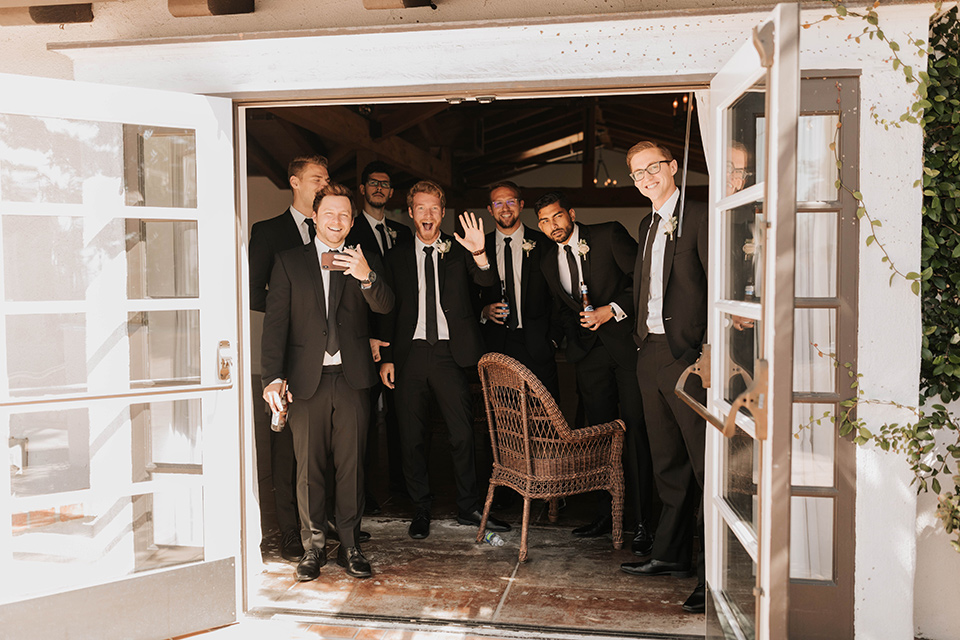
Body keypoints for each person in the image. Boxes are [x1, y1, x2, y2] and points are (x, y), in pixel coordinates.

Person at [261, 183, 394, 581]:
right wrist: (272, 378)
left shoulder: (363, 259)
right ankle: (313, 548)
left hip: (352, 378)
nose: (337, 221)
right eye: (329, 214)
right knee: (309, 469)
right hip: (306, 381)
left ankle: (350, 545)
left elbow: (386, 305)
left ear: (352, 222)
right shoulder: (287, 262)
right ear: (315, 217)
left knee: (351, 467)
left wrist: (366, 276)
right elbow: (275, 327)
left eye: (344, 215)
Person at [378, 180, 512, 540]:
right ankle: (420, 506)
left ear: (442, 212)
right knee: (412, 436)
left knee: (462, 433)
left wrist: (481, 253)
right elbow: (388, 309)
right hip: (410, 354)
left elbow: (486, 282)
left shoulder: (459, 249)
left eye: (434, 208)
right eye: (420, 208)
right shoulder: (396, 256)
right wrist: (387, 356)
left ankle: (469, 506)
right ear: (410, 213)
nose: (428, 215)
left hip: (450, 354)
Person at [534, 191, 656, 554]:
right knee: (598, 437)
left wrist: (612, 309)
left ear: (570, 213)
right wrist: (565, 342)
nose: (551, 226)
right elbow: (560, 308)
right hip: (587, 357)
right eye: (542, 221)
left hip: (626, 349)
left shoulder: (606, 234)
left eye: (556, 217)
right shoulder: (545, 260)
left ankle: (643, 521)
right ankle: (607, 514)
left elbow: (643, 279)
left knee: (634, 433)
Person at [618, 141, 709, 615]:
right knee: (666, 462)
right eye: (637, 173)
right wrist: (639, 340)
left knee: (704, 466)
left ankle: (714, 577)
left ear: (673, 167)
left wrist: (706, 352)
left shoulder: (699, 215)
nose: (646, 177)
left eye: (653, 167)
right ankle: (671, 556)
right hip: (650, 353)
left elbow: (719, 286)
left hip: (688, 358)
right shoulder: (646, 222)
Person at [248, 154, 329, 562]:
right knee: (284, 450)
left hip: (325, 361)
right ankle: (287, 533)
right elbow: (253, 292)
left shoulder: (336, 229)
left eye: (327, 179)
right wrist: (297, 309)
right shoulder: (268, 232)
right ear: (295, 182)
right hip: (283, 354)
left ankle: (321, 523)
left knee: (318, 446)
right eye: (317, 179)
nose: (323, 185)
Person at [345, 161, 413, 512]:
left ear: (391, 192)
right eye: (372, 183)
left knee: (403, 414)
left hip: (400, 336)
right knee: (366, 420)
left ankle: (402, 484)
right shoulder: (349, 228)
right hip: (364, 338)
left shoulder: (403, 232)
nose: (379, 189)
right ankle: (365, 493)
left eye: (385, 185)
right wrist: (368, 336)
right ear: (363, 189)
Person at [477, 181, 559, 398]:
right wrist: (483, 311)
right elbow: (465, 294)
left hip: (538, 344)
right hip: (496, 345)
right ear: (490, 209)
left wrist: (553, 340)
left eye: (510, 201)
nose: (505, 208)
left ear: (521, 205)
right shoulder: (478, 247)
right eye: (498, 203)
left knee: (546, 419)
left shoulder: (544, 244)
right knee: (504, 417)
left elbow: (559, 295)